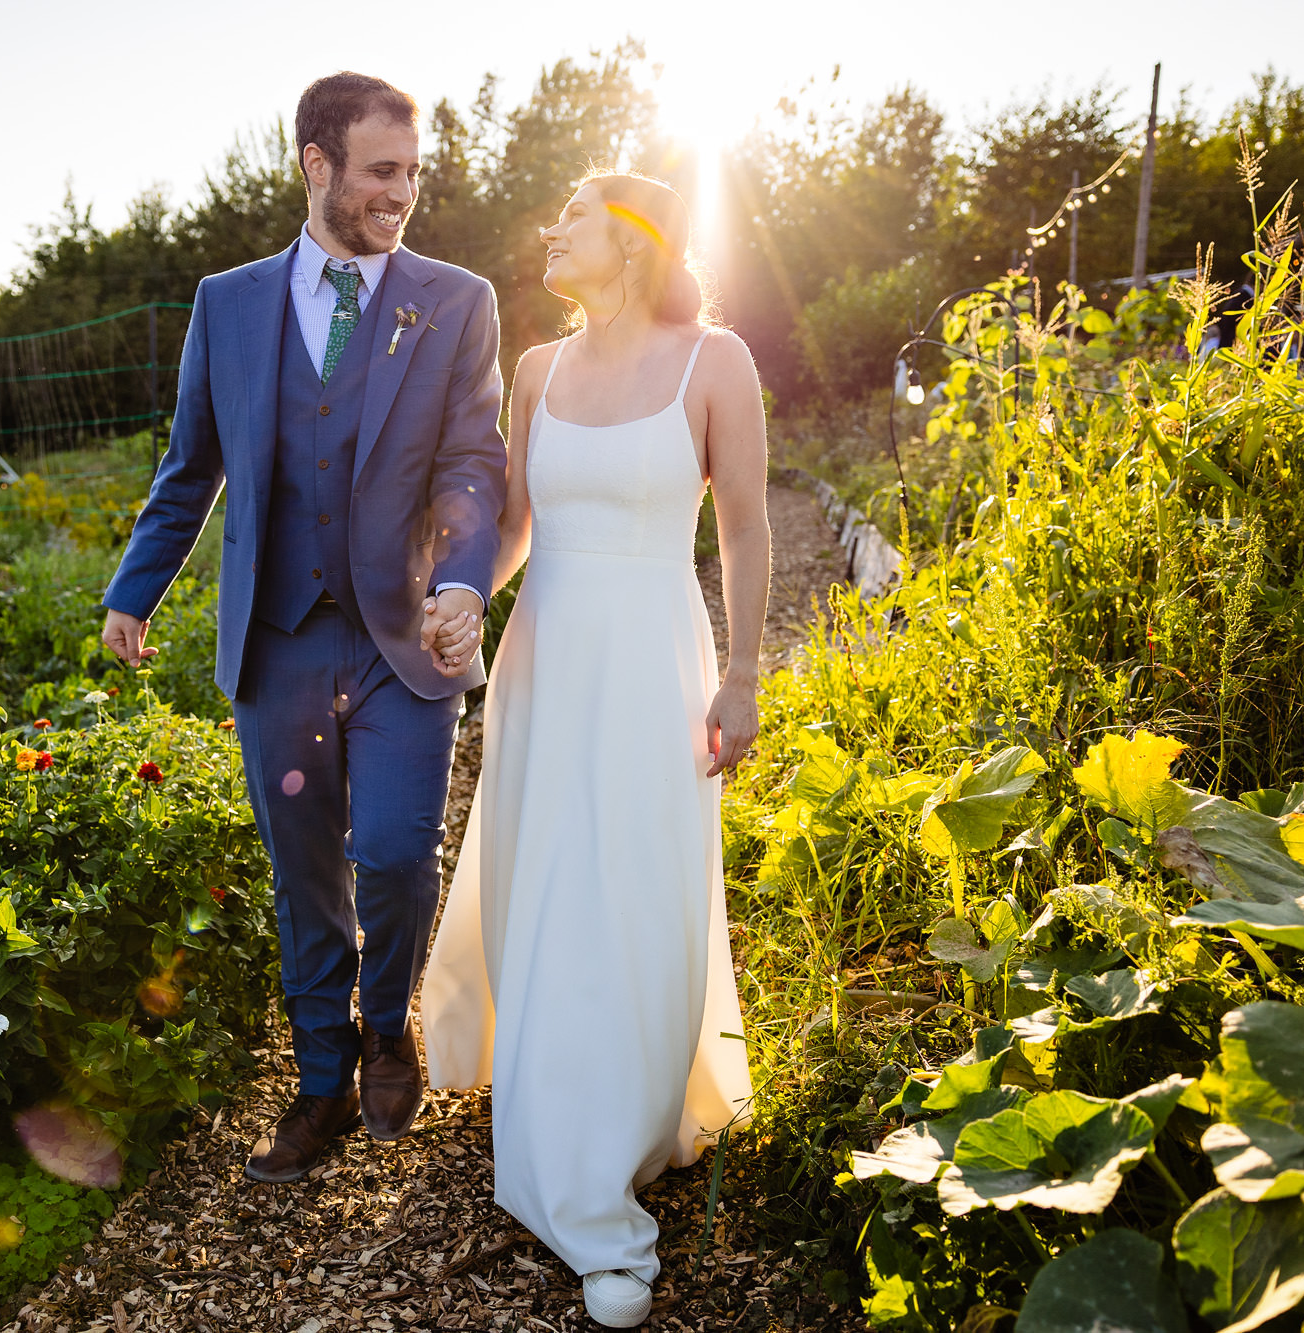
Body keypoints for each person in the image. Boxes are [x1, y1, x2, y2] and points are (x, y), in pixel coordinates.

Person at [100, 72, 507, 1184]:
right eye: (381, 171)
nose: (402, 193)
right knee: (303, 874)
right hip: (277, 639)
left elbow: (475, 461)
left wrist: (464, 582)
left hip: (399, 638)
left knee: (388, 852)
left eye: (413, 172)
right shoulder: (227, 304)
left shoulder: (455, 299)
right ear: (315, 164)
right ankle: (320, 1079)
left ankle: (388, 1024)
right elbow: (190, 466)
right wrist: (135, 590)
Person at [418, 170, 768, 1329]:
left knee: (633, 893)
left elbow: (745, 527)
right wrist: (468, 591)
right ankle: (571, 1157)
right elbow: (518, 523)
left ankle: (614, 1145)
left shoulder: (713, 360)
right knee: (557, 892)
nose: (547, 229)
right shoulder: (536, 370)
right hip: (548, 660)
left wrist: (742, 675)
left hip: (653, 660)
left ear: (629, 240)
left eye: (567, 215)